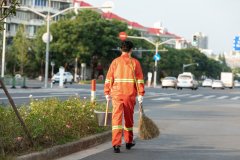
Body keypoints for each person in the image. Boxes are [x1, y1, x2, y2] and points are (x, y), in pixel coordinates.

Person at [104, 40, 145, 153]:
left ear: (121, 49)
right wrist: (141, 94)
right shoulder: (135, 63)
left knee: (116, 119)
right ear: (131, 49)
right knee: (128, 119)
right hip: (129, 94)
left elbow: (109, 78)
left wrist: (107, 92)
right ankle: (128, 142)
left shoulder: (115, 62)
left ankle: (116, 144)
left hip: (116, 94)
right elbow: (139, 80)